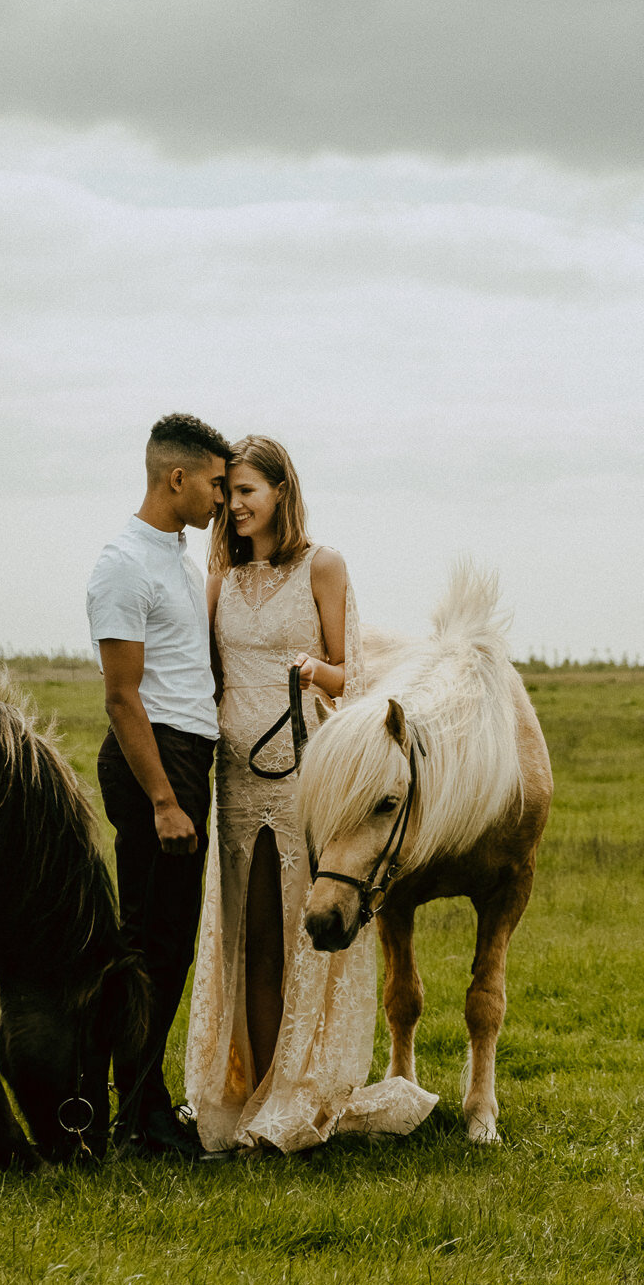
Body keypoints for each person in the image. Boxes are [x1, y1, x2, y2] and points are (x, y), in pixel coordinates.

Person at [184, 435, 437, 1153]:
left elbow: (352, 676)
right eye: (227, 494)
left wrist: (312, 672)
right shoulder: (219, 580)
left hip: (302, 773)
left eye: (246, 492)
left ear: (280, 493)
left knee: (304, 935)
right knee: (252, 938)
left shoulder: (323, 566)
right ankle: (256, 1086)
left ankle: (300, 1087)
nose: (233, 506)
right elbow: (207, 677)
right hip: (234, 779)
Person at [87, 412, 232, 1158]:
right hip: (155, 762)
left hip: (187, 756)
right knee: (150, 942)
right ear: (176, 478)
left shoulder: (179, 554)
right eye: (213, 483)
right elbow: (121, 697)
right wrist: (164, 801)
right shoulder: (123, 565)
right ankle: (133, 1119)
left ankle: (143, 1105)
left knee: (170, 944)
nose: (222, 499)